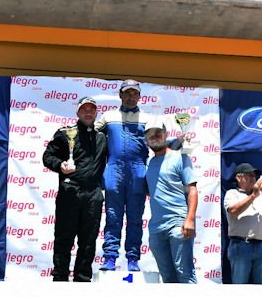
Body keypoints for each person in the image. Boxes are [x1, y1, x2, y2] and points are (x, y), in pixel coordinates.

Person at [95, 79, 181, 272]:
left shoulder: (148, 118)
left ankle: (132, 258)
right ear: (120, 94)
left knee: (135, 218)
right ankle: (110, 257)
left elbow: (159, 144)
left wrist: (178, 142)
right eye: (127, 93)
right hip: (113, 170)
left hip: (138, 171)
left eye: (134, 93)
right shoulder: (108, 116)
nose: (131, 97)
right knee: (112, 215)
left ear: (140, 96)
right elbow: (91, 139)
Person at [42, 97, 107, 282]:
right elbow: (48, 156)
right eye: (84, 109)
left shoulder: (103, 137)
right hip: (69, 192)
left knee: (88, 241)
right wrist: (60, 165)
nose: (88, 113)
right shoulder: (65, 133)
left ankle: (82, 280)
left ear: (96, 113)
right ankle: (60, 279)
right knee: (64, 238)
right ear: (77, 112)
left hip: (93, 195)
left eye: (91, 110)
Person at [144, 121, 198, 284]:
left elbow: (192, 190)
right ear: (146, 141)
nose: (155, 138)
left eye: (158, 133)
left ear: (166, 134)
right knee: (167, 277)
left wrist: (189, 219)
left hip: (178, 224)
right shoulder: (149, 163)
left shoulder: (181, 157)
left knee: (185, 274)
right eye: (151, 136)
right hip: (156, 228)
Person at [224, 163, 262, 284]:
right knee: (239, 285)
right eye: (249, 175)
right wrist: (254, 195)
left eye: (254, 176)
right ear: (238, 178)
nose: (253, 178)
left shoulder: (261, 195)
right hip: (241, 245)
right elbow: (234, 210)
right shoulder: (232, 193)